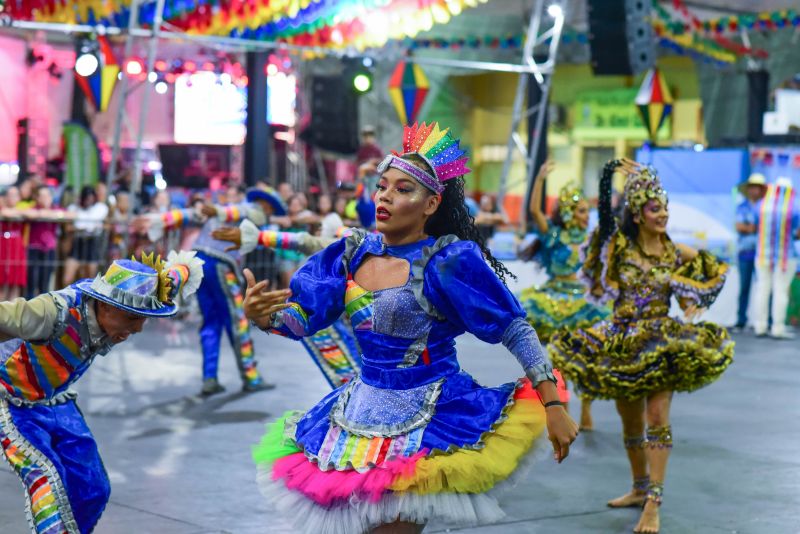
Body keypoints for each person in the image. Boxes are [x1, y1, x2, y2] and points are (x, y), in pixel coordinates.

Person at [246, 122, 578, 534]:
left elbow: (515, 328)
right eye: (383, 186)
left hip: (430, 416)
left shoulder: (449, 261)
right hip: (357, 413)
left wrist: (552, 403)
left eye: (404, 190)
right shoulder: (351, 252)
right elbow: (301, 320)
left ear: (431, 204)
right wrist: (265, 318)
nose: (385, 196)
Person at [549, 159, 733, 534]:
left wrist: (698, 299)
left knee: (657, 418)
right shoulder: (618, 247)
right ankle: (638, 487)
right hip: (621, 341)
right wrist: (608, 174)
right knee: (630, 421)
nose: (662, 214)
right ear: (637, 213)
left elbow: (715, 270)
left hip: (664, 341)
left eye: (665, 207)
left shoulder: (676, 252)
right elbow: (603, 216)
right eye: (655, 208)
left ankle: (654, 501)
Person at [0, 250, 203, 534]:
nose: (139, 328)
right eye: (133, 317)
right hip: (12, 399)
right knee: (45, 480)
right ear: (106, 306)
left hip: (55, 400)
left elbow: (173, 277)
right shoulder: (52, 313)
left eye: (144, 319)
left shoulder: (140, 293)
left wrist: (183, 268)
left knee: (92, 487)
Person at [139, 186, 287, 396]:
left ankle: (210, 378)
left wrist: (163, 218)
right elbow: (244, 213)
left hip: (199, 264)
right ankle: (250, 376)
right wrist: (219, 212)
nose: (269, 215)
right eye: (271, 210)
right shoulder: (251, 209)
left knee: (211, 321)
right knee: (238, 320)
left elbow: (193, 214)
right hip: (220, 265)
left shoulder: (222, 209)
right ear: (267, 205)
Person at [517, 160, 610, 430]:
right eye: (581, 211)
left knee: (586, 360)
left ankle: (587, 410)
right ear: (569, 212)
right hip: (554, 300)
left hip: (584, 303)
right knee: (560, 361)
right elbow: (535, 210)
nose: (585, 215)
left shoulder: (591, 239)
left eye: (587, 211)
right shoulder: (555, 234)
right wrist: (540, 179)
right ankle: (564, 410)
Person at [212, 221, 361, 388]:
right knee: (349, 388)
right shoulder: (359, 247)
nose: (385, 196)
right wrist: (266, 317)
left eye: (397, 192)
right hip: (365, 388)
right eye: (382, 191)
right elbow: (310, 242)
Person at [752, 178, 800, 339]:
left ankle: (760, 326)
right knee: (781, 290)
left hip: (762, 254)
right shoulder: (794, 206)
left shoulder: (762, 205)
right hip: (786, 256)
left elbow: (755, 225)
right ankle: (777, 328)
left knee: (762, 289)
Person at [733, 173, 768, 331]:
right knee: (744, 287)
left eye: (757, 187)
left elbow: (764, 229)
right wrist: (753, 228)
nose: (754, 190)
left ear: (762, 190)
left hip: (763, 253)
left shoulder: (767, 207)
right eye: (752, 187)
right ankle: (741, 319)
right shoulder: (742, 206)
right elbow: (739, 226)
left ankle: (766, 321)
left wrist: (750, 228)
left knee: (765, 287)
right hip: (745, 252)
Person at [24, 185, 72, 298]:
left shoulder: (56, 208)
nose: (45, 198)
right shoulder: (34, 208)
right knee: (31, 283)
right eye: (42, 196)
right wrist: (46, 214)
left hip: (49, 250)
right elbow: (27, 213)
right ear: (37, 198)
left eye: (47, 195)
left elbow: (71, 215)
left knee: (44, 284)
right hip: (34, 249)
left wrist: (49, 214)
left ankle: (43, 312)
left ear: (51, 197)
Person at [63, 185, 109, 285]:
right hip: (77, 243)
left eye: (91, 198)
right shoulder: (73, 208)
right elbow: (68, 227)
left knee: (89, 278)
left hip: (92, 244)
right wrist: (80, 228)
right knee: (68, 278)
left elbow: (106, 225)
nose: (89, 201)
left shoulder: (101, 208)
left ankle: (88, 300)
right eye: (87, 198)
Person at [0, 186, 27, 300]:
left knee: (15, 282)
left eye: (15, 195)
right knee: (1, 282)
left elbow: (34, 213)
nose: (12, 198)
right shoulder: (2, 208)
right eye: (10, 195)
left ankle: (12, 314)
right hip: (3, 246)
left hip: (17, 246)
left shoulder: (24, 209)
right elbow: (6, 213)